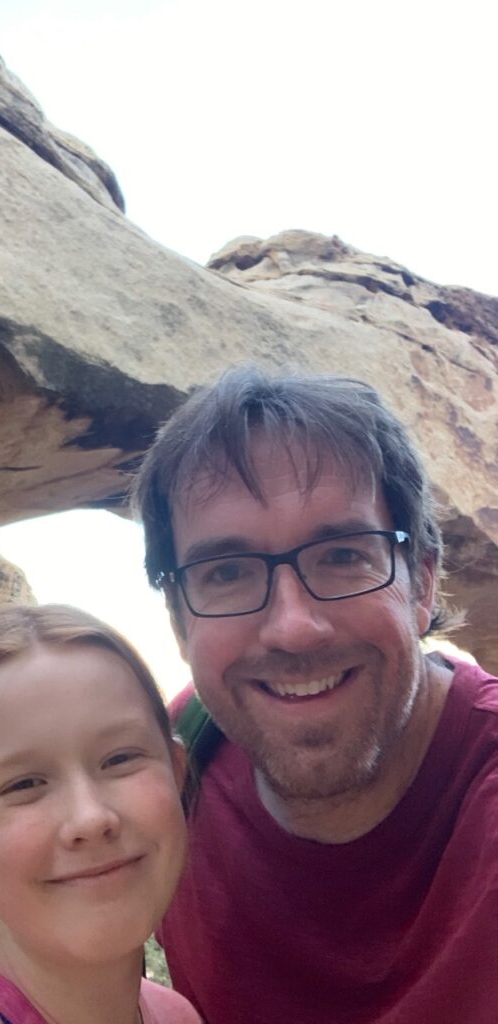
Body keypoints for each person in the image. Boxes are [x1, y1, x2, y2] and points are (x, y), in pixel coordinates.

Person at [132, 367, 498, 1024]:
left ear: (420, 583)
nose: (293, 626)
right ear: (179, 621)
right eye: (228, 573)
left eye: (342, 556)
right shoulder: (170, 761)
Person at [0, 604, 201, 1024]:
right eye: (24, 784)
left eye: (120, 758)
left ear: (177, 774)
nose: (90, 818)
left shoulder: (177, 1016)